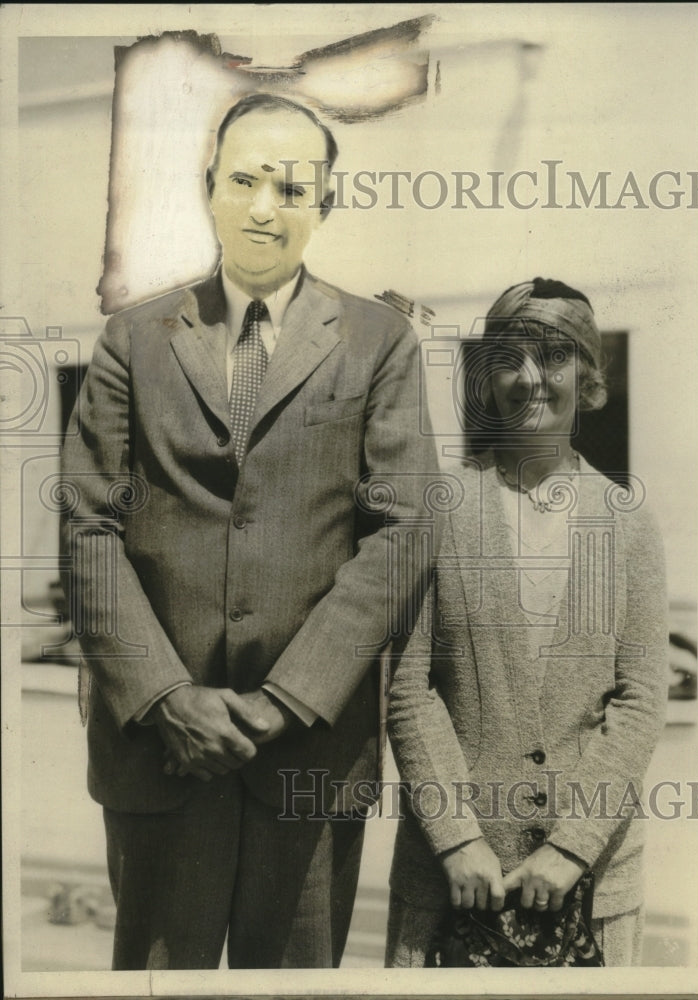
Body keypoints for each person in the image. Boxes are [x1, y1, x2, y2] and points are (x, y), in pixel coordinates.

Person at [60, 92, 439, 970]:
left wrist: (284, 700)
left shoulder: (381, 343)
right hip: (161, 754)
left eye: (293, 188)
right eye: (244, 181)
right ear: (209, 188)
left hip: (307, 754)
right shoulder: (131, 339)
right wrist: (164, 697)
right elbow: (87, 530)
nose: (265, 207)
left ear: (325, 205)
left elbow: (401, 533)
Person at [386, 278, 668, 967]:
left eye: (554, 357)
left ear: (588, 376)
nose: (529, 378)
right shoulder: (441, 509)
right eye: (509, 359)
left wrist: (570, 846)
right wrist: (457, 838)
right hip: (456, 884)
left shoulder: (626, 520)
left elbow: (639, 699)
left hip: (590, 884)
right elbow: (408, 688)